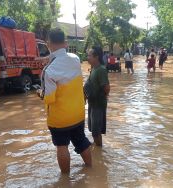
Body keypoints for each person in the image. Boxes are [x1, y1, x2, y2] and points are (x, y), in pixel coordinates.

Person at [37, 28, 92, 174]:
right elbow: (61, 60)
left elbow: (49, 98)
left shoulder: (48, 71)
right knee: (81, 141)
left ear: (48, 44)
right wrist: (49, 59)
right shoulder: (75, 59)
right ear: (66, 43)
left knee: (62, 146)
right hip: (78, 112)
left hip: (60, 118)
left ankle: (66, 180)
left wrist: (40, 93)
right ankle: (91, 169)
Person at [86, 46, 110, 146]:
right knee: (93, 129)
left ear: (96, 57)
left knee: (96, 131)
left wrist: (102, 98)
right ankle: (97, 148)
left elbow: (107, 88)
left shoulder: (101, 70)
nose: (87, 57)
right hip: (92, 103)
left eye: (89, 55)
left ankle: (99, 151)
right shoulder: (94, 69)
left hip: (98, 105)